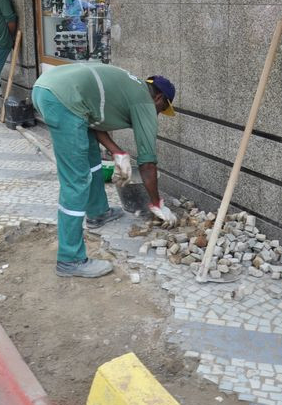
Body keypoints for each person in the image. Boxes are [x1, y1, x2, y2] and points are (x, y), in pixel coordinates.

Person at [32, 64, 178, 278]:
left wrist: (117, 152)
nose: (158, 114)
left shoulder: (130, 86)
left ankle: (98, 213)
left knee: (92, 158)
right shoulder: (145, 102)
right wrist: (158, 204)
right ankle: (69, 259)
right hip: (62, 99)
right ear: (159, 99)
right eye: (162, 109)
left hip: (50, 87)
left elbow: (92, 122)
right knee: (76, 180)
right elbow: (147, 164)